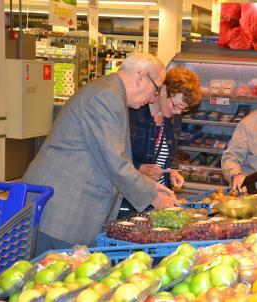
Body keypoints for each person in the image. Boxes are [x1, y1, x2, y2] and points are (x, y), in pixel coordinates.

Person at [23, 53, 178, 255]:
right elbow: (115, 163)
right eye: (156, 90)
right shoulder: (106, 97)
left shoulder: (111, 93)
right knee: (48, 280)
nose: (152, 98)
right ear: (141, 77)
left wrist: (153, 186)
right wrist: (153, 197)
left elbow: (113, 159)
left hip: (69, 210)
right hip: (61, 212)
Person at [118, 67, 201, 217]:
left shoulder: (174, 117)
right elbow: (116, 157)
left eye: (183, 109)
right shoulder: (133, 113)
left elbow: (172, 152)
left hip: (160, 198)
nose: (178, 112)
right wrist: (141, 168)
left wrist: (173, 170)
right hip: (131, 199)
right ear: (163, 90)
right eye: (176, 106)